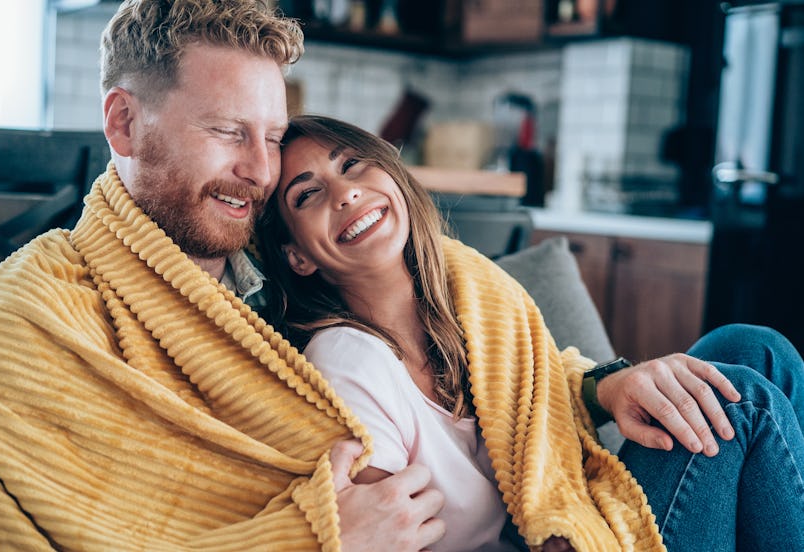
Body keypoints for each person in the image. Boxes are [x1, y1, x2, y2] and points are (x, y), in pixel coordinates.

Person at [0, 1, 445, 550]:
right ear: (124, 124)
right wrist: (318, 541)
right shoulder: (29, 319)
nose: (262, 171)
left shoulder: (302, 246)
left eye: (272, 137)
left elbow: (477, 317)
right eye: (227, 131)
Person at [256, 114, 804, 551]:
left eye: (352, 165)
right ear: (297, 256)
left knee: (754, 348)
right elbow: (394, 533)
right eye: (308, 195)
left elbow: (536, 378)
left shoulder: (464, 291)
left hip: (573, 515)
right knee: (744, 402)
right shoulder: (349, 360)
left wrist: (607, 386)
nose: (344, 194)